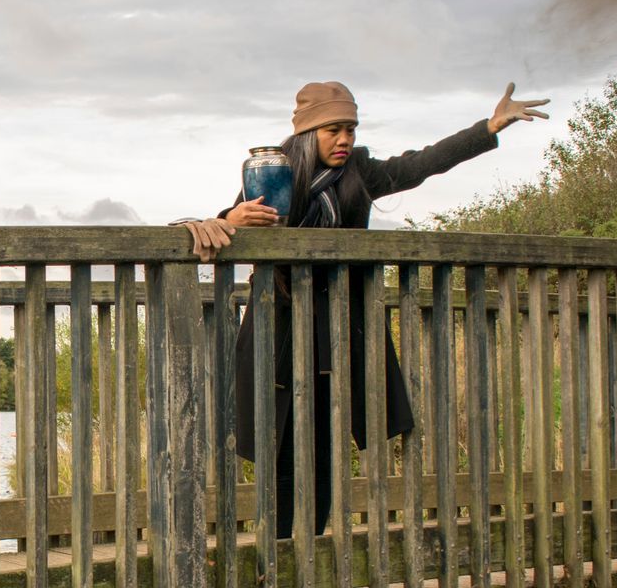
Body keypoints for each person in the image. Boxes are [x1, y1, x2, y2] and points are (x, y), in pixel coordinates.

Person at [177, 80, 548, 539]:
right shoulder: (271, 171)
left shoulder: (361, 172)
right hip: (280, 327)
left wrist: (488, 128)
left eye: (350, 128)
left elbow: (421, 164)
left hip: (336, 328)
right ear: (310, 133)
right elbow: (232, 222)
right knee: (283, 446)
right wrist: (229, 219)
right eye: (334, 129)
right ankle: (279, 563)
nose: (346, 139)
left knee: (327, 444)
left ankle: (308, 560)